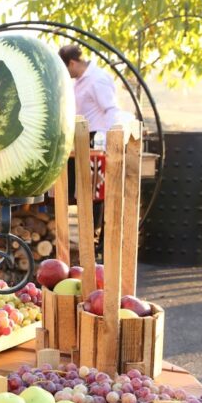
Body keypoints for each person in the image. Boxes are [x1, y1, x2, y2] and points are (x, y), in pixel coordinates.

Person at [59, 44, 120, 256]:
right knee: (83, 188)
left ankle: (97, 240)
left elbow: (110, 109)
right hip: (83, 136)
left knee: (96, 191)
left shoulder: (98, 79)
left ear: (73, 63)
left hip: (97, 137)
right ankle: (86, 236)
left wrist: (110, 139)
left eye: (67, 69)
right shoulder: (79, 82)